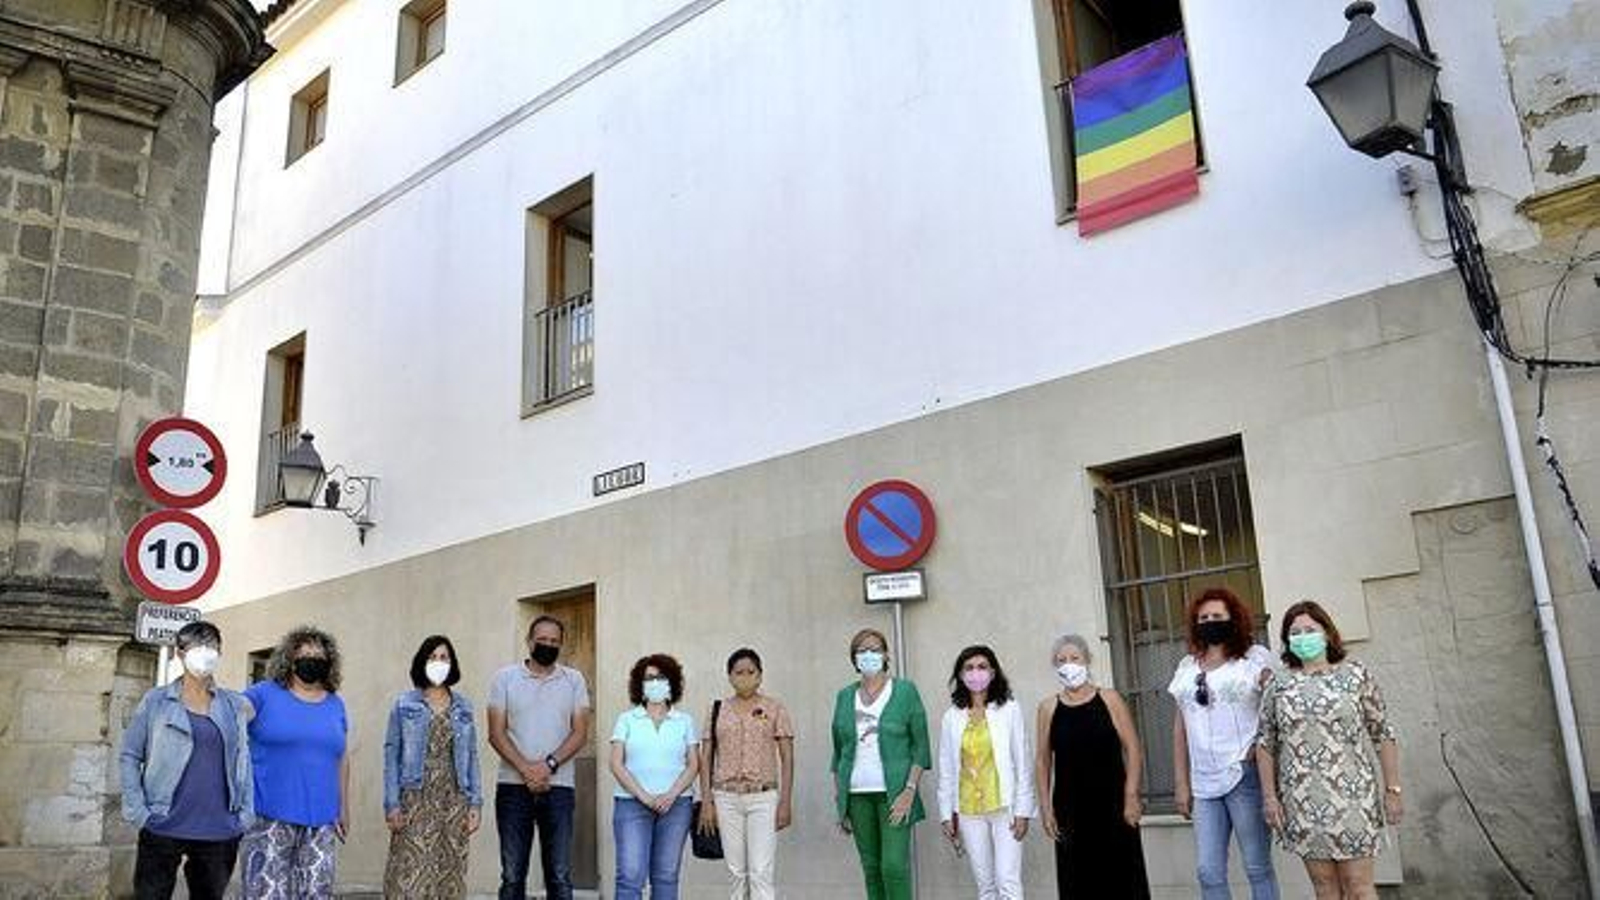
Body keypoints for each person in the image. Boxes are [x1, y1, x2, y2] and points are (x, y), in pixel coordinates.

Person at [1256, 601, 1402, 900]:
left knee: (1359, 887)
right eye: (1295, 632)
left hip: (1354, 798)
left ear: (1327, 633)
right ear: (1287, 640)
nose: (1302, 636)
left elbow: (1382, 732)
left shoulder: (1355, 676)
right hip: (1303, 801)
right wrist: (1270, 797)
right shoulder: (1278, 683)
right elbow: (1264, 742)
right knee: (1325, 889)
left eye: (1310, 629)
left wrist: (1393, 790)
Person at [120, 621, 253, 900]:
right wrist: (139, 812)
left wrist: (244, 817)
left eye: (212, 646)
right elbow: (130, 755)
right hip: (162, 823)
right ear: (180, 653)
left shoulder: (232, 705)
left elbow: (243, 760)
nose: (206, 653)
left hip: (219, 830)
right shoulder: (156, 701)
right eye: (197, 646)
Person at [1168, 587, 1280, 899]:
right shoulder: (1186, 666)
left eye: (1217, 616)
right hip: (1203, 782)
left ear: (1234, 619)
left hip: (1244, 774)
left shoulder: (1253, 659)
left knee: (1257, 867)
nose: (1209, 621)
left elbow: (1274, 710)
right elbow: (1180, 726)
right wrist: (1181, 782)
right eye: (1203, 617)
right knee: (1208, 871)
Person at [240, 626, 349, 899]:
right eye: (305, 654)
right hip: (269, 818)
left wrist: (344, 807)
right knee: (266, 893)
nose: (313, 660)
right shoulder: (263, 694)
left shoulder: (335, 704)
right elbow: (231, 717)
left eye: (319, 656)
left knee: (316, 894)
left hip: (321, 822)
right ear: (289, 660)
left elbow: (342, 757)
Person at [1036, 634, 1149, 899]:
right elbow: (1042, 760)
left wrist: (1131, 795)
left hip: (1114, 806)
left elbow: (1133, 748)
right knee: (1078, 882)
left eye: (1074, 658)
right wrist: (1045, 807)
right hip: (1070, 810)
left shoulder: (1109, 699)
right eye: (1061, 660)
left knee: (1123, 879)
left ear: (1087, 661)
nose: (1068, 664)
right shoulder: (1047, 708)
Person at [487, 615, 592, 900]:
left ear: (561, 645)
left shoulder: (574, 680)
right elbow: (496, 733)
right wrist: (526, 770)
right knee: (512, 875)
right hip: (512, 788)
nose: (548, 645)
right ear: (529, 641)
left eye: (554, 641)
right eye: (542, 640)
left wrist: (548, 766)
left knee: (559, 875)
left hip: (559, 789)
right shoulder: (504, 678)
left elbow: (580, 732)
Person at [830, 628, 931, 900]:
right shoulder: (844, 696)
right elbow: (839, 752)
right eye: (862, 651)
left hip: (895, 793)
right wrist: (841, 798)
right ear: (854, 658)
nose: (869, 655)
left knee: (894, 866)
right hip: (857, 795)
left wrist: (909, 791)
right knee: (872, 868)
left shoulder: (905, 691)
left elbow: (920, 747)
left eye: (875, 649)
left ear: (886, 654)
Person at [382, 635, 483, 898]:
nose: (439, 662)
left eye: (444, 658)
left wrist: (475, 804)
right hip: (414, 797)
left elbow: (472, 756)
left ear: (452, 664)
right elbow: (391, 755)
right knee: (409, 876)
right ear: (422, 662)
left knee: (448, 875)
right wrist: (392, 804)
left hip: (454, 799)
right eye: (433, 657)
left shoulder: (464, 707)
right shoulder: (404, 704)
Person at [936, 645, 1035, 900]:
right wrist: (946, 813)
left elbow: (1022, 761)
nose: (975, 673)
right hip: (969, 810)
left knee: (1007, 881)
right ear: (960, 675)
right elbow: (947, 767)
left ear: (993, 672)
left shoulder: (1009, 710)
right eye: (969, 668)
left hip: (1005, 808)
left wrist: (1024, 809)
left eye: (982, 667)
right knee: (985, 885)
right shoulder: (952, 717)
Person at [696, 647, 796, 900]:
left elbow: (787, 756)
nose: (745, 677)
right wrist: (707, 801)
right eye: (739, 672)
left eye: (751, 672)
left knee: (761, 869)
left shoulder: (774, 708)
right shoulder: (717, 710)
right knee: (736, 871)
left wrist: (785, 801)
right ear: (729, 676)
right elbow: (705, 757)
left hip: (763, 797)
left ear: (760, 675)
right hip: (726, 797)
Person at [609, 653, 700, 900]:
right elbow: (616, 764)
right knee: (630, 876)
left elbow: (693, 765)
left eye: (660, 677)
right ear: (639, 684)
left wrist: (670, 795)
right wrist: (645, 797)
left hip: (677, 805)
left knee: (666, 876)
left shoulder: (684, 721)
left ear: (672, 682)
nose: (655, 682)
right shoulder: (626, 719)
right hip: (631, 804)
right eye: (649, 678)